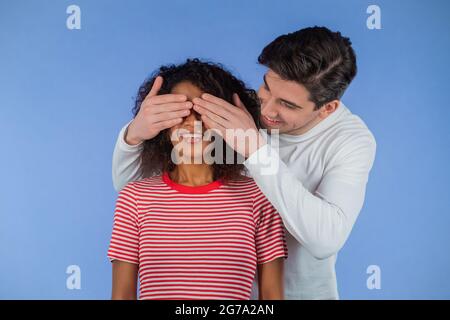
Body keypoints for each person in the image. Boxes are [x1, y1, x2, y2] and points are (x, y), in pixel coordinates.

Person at [112, 26, 377, 300]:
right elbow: (136, 192)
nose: (266, 110)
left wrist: (255, 149)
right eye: (266, 86)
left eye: (288, 105)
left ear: (327, 109)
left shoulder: (350, 140)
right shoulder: (241, 109)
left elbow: (325, 241)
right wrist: (135, 134)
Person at [108, 58, 288, 300]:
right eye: (179, 111)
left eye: (204, 111)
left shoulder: (259, 196)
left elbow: (272, 297)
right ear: (161, 122)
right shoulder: (134, 199)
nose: (192, 122)